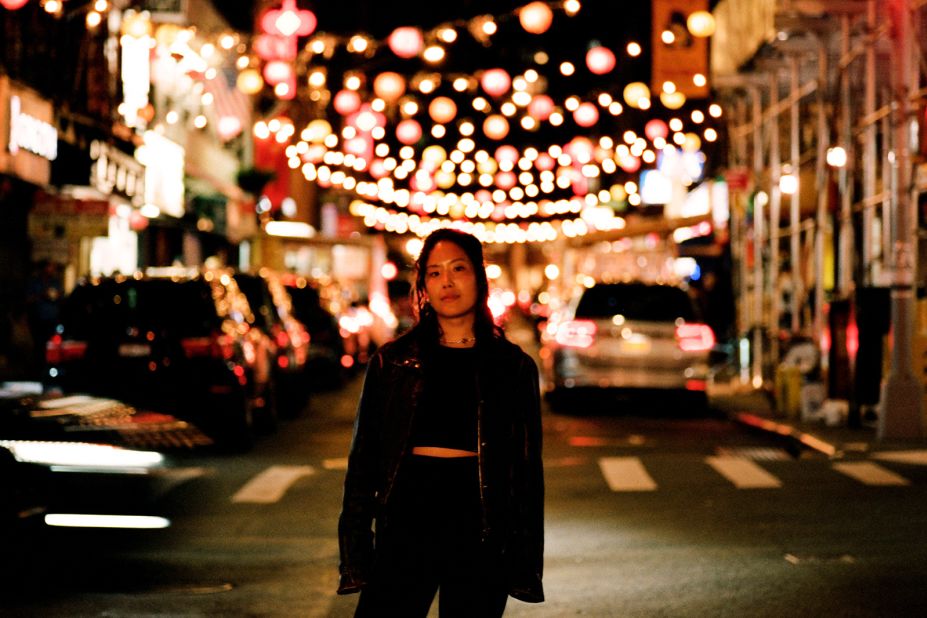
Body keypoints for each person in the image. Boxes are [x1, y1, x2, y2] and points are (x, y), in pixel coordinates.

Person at [338, 228, 544, 617]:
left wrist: (524, 561)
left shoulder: (513, 367)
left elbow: (527, 474)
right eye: (434, 272)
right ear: (423, 285)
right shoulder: (393, 362)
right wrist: (356, 550)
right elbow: (363, 461)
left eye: (458, 269)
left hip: (481, 523)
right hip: (407, 515)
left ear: (479, 279)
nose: (446, 282)